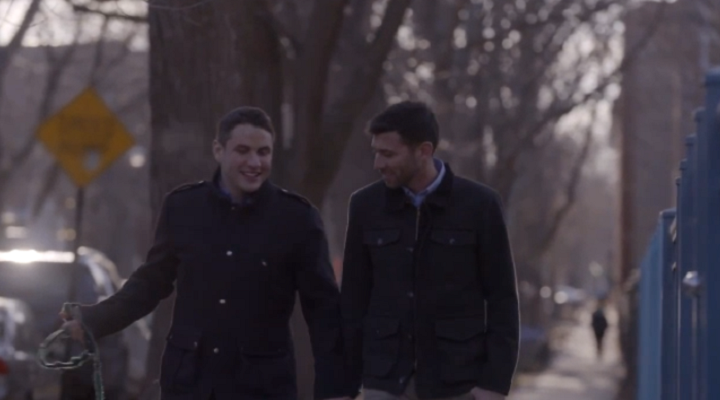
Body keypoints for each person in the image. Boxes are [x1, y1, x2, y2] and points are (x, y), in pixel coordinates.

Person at [60, 107, 353, 400]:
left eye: (263, 152)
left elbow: (323, 308)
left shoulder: (297, 219)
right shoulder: (183, 207)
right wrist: (94, 320)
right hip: (190, 383)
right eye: (242, 151)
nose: (254, 162)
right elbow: (150, 283)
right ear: (218, 150)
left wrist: (336, 389)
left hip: (261, 386)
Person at [341, 101, 520, 400]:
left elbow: (502, 299)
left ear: (423, 151)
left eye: (388, 154)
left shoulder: (480, 205)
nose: (378, 164)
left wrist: (494, 384)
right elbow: (352, 301)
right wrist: (342, 385)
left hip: (457, 382)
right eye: (376, 152)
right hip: (384, 381)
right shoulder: (365, 206)